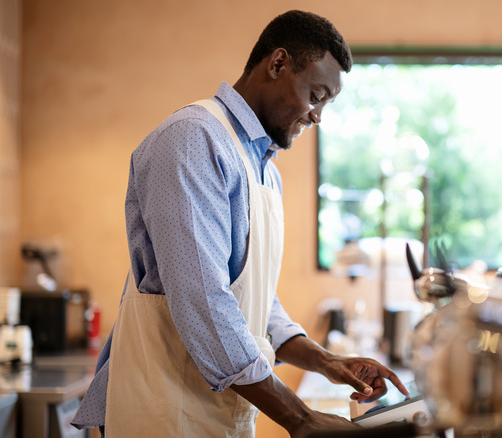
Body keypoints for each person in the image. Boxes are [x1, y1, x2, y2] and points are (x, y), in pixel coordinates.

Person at [72, 10, 409, 438]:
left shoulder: (264, 167)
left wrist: (326, 361)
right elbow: (204, 302)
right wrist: (300, 419)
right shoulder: (194, 140)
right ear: (278, 64)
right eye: (316, 95)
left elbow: (254, 299)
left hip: (219, 415)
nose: (317, 116)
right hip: (165, 414)